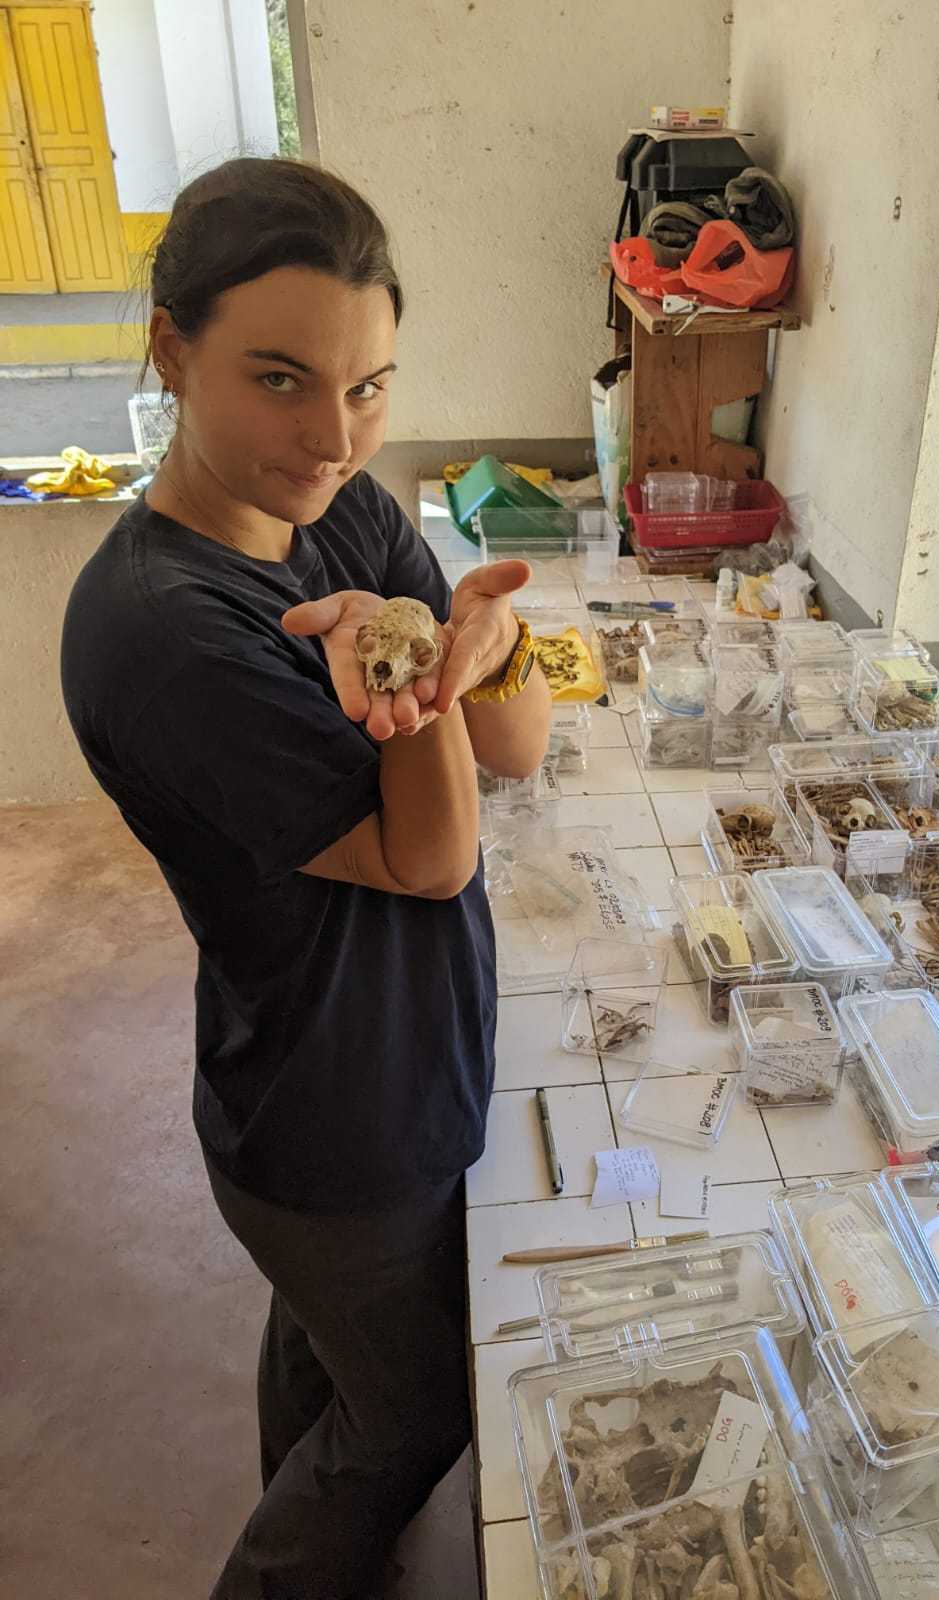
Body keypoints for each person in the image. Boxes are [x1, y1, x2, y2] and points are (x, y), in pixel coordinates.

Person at [59, 157, 551, 1600]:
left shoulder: (332, 509)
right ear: (171, 344)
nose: (332, 435)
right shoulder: (162, 631)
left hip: (374, 1058)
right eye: (280, 379)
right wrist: (419, 666)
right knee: (411, 1414)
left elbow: (513, 742)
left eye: (369, 386)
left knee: (331, 1356)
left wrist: (453, 642)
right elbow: (433, 850)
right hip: (336, 1116)